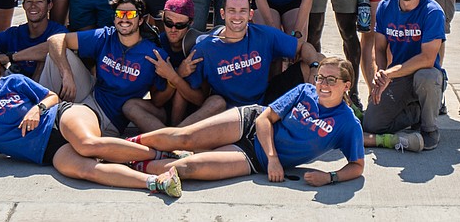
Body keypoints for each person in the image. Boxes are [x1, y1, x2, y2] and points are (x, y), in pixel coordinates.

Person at [0, 48, 181, 196]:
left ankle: (164, 155)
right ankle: (155, 182)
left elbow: (52, 96)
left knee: (88, 144)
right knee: (85, 170)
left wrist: (36, 110)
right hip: (45, 151)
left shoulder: (14, 82)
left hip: (61, 117)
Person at [130, 56, 364, 187]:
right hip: (250, 123)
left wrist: (330, 177)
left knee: (188, 167)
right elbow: (265, 118)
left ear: (346, 85)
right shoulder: (305, 91)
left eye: (331, 80)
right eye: (320, 77)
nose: (322, 84)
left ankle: (128, 164)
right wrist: (274, 160)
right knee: (184, 138)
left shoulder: (348, 124)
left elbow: (357, 166)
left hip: (254, 158)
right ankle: (128, 146)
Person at [184, 0, 323, 126]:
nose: (237, 17)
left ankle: (323, 122)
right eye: (232, 11)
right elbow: (188, 90)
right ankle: (176, 134)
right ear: (222, 13)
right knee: (214, 102)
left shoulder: (264, 35)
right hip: (227, 111)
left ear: (250, 15)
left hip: (265, 104)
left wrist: (314, 68)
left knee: (318, 60)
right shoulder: (205, 48)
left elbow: (304, 46)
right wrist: (176, 76)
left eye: (242, 11)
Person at [43, 0, 167, 136]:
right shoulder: (106, 35)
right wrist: (67, 74)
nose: (124, 18)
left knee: (73, 135)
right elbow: (55, 39)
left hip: (109, 116)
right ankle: (43, 109)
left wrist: (173, 79)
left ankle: (52, 123)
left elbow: (160, 99)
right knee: (56, 54)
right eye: (120, 14)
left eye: (131, 14)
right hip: (90, 92)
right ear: (114, 19)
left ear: (140, 20)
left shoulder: (153, 54)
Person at [362, 0, 444, 152]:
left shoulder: (432, 12)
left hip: (425, 75)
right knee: (371, 125)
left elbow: (427, 59)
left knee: (427, 76)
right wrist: (382, 75)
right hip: (398, 75)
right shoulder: (385, 7)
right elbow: (380, 48)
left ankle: (429, 128)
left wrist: (389, 74)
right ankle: (417, 113)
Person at [124, 0, 205, 131]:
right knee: (129, 106)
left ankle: (173, 136)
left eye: (180, 25)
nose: (173, 29)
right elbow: (156, 101)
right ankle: (168, 138)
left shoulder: (198, 46)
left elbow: (201, 100)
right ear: (162, 19)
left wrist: (174, 77)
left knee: (182, 92)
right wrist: (177, 75)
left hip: (193, 114)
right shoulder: (157, 45)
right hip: (162, 110)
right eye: (168, 23)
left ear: (190, 23)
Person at [0, 0, 67, 80]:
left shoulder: (58, 30)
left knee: (43, 62)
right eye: (29, 1)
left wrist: (10, 57)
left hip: (50, 88)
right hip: (16, 88)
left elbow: (53, 47)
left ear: (49, 5)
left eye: (39, 1)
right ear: (24, 5)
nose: (33, 6)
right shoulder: (14, 33)